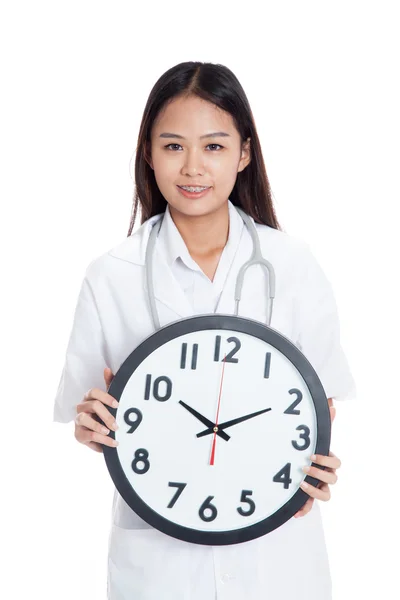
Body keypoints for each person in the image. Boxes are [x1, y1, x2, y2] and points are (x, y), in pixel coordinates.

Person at [53, 61, 356, 600]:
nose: (193, 167)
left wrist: (316, 468)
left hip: (277, 558)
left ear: (244, 153)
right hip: (160, 563)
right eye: (173, 146)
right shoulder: (111, 275)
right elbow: (86, 416)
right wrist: (90, 425)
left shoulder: (292, 265)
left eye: (213, 147)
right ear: (148, 152)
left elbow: (318, 407)